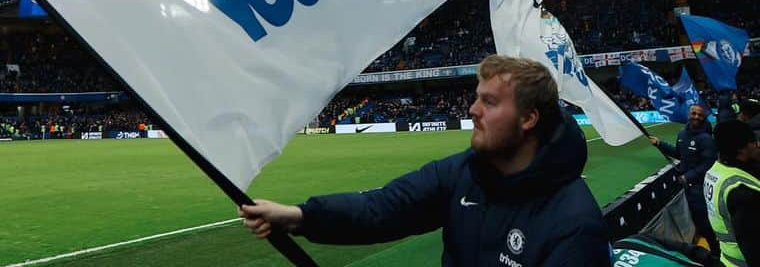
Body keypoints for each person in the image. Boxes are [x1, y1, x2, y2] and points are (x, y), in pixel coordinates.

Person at [240, 55, 610, 266]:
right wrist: (301, 217)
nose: (473, 110)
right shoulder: (463, 173)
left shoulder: (575, 224)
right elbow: (382, 208)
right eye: (477, 97)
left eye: (490, 102)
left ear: (529, 118)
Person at [649, 104, 719, 256]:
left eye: (699, 115)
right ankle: (712, 251)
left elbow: (708, 164)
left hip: (702, 188)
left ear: (704, 117)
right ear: (689, 114)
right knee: (699, 222)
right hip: (688, 189)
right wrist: (660, 144)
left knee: (707, 224)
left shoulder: (706, 139)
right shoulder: (682, 134)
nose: (696, 116)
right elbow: (678, 154)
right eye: (693, 113)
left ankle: (716, 253)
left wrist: (688, 176)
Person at [705, 120, 760, 266]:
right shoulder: (743, 193)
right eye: (754, 142)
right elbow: (754, 247)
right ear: (741, 150)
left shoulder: (715, 171)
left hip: (728, 259)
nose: (758, 145)